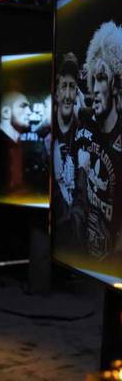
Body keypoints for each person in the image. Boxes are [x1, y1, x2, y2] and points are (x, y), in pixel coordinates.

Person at [81, 21, 122, 264]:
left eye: (102, 79)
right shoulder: (88, 127)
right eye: (93, 80)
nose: (95, 89)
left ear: (115, 84)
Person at [52, 52, 87, 255]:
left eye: (72, 87)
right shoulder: (47, 136)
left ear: (77, 93)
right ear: (56, 92)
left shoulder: (84, 135)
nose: (67, 95)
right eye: (63, 86)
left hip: (77, 247)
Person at [0, 91, 32, 197]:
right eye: (23, 106)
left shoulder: (18, 144)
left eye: (28, 107)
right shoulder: (0, 146)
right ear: (5, 112)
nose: (29, 112)